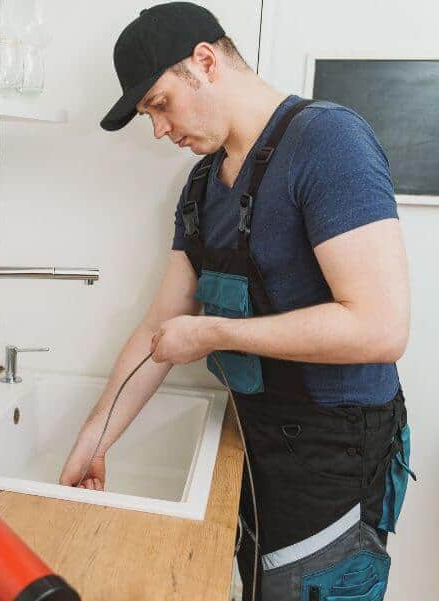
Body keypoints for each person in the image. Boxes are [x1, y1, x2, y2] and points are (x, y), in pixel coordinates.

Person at [58, 3, 416, 600]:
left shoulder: (328, 141)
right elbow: (159, 329)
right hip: (256, 445)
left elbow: (380, 327)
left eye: (161, 104)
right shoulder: (202, 187)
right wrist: (93, 444)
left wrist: (213, 335)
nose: (160, 130)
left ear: (205, 61)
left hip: (335, 459)